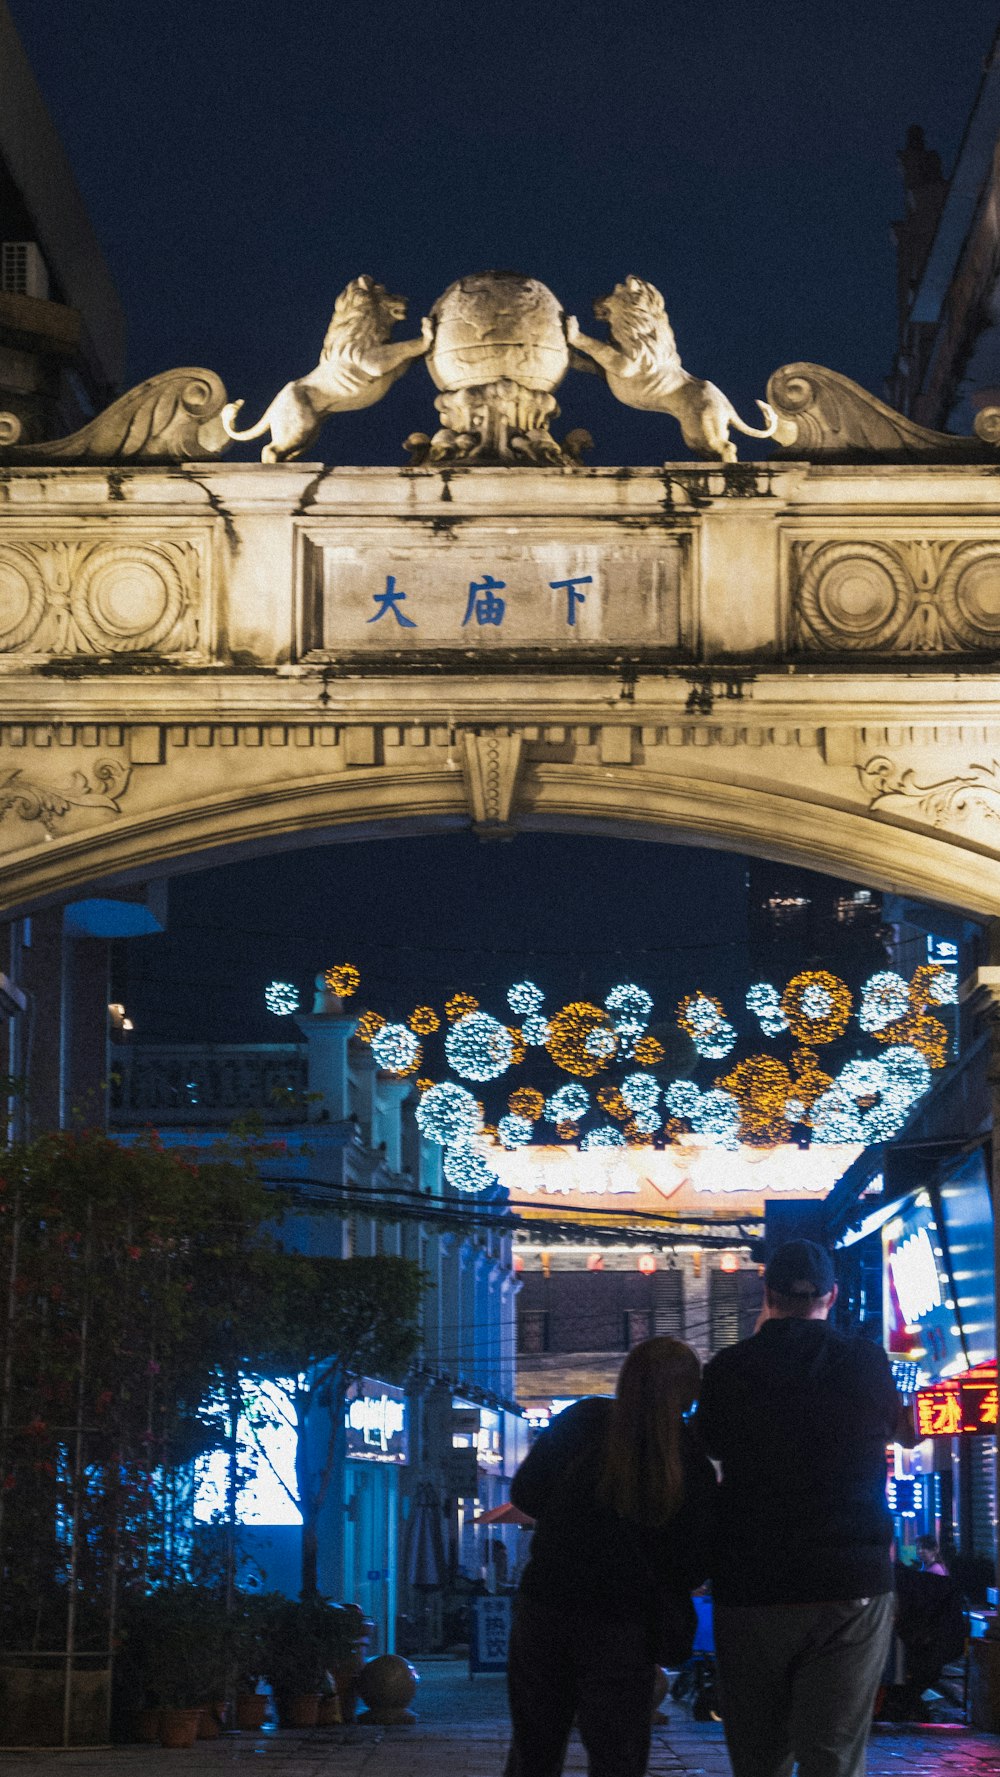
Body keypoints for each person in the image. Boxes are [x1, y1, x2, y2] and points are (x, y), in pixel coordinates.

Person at [696, 1238, 900, 1777]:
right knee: (831, 1755)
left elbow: (708, 1448)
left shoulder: (728, 1369)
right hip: (849, 1580)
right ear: (831, 1297)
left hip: (752, 1580)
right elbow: (904, 1429)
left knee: (758, 1757)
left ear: (768, 1294)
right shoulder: (865, 1360)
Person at [504, 1336, 717, 1777]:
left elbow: (526, 1492)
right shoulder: (686, 1455)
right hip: (625, 1621)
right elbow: (693, 1559)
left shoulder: (583, 1420)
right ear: (689, 1391)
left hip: (549, 1604)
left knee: (534, 1749)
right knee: (617, 1754)